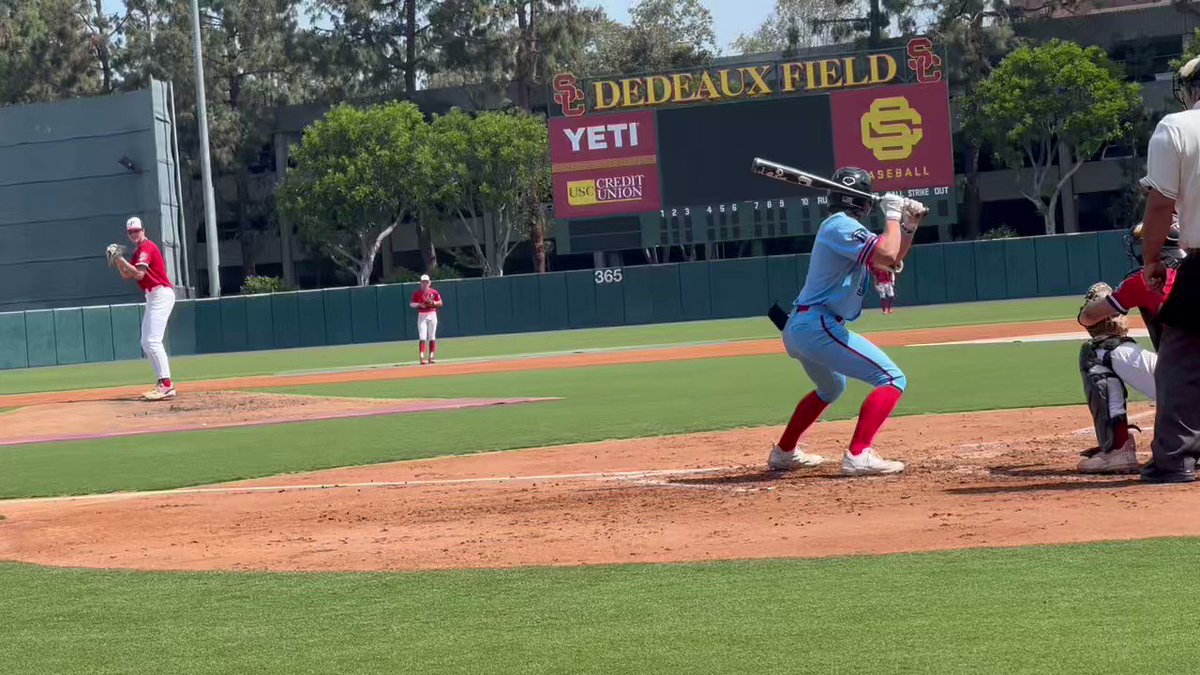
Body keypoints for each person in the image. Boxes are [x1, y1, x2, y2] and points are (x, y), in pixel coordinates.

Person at [767, 168, 927, 476]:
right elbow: (886, 250)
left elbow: (890, 259)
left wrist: (907, 226)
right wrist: (893, 215)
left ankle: (784, 452)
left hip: (803, 326)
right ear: (864, 202)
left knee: (831, 387)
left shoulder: (841, 229)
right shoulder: (840, 226)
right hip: (817, 324)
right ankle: (858, 454)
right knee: (893, 379)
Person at [1074, 221, 1185, 473]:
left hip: (1185, 384)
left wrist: (1102, 305)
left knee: (1097, 351)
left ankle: (1117, 449)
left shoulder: (1147, 279)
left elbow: (1088, 318)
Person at [1135, 55, 1200, 483]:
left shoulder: (1177, 127)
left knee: (1180, 357)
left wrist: (1152, 258)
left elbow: (1160, 205)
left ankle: (1177, 457)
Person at [107, 216, 176, 401]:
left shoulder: (147, 247)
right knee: (146, 342)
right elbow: (126, 275)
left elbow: (138, 274)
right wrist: (118, 261)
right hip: (152, 296)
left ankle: (166, 385)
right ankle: (162, 383)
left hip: (161, 293)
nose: (134, 234)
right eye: (131, 232)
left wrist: (120, 257)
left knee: (153, 341)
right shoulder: (138, 253)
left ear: (143, 230)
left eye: (136, 230)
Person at [410, 274, 443, 365]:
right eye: (423, 282)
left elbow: (440, 303)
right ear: (420, 283)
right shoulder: (417, 293)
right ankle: (422, 357)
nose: (425, 284)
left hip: (432, 313)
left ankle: (431, 356)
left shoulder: (434, 292)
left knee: (432, 336)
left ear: (429, 283)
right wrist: (419, 305)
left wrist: (434, 302)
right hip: (422, 314)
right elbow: (411, 304)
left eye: (426, 282)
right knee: (422, 336)